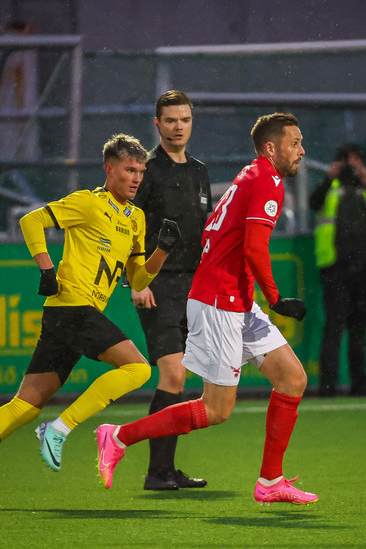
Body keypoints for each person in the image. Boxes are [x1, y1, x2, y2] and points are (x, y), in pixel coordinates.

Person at [0, 133, 181, 509]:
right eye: (129, 170)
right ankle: (59, 428)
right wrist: (46, 268)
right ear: (109, 169)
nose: (136, 178)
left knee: (26, 404)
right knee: (139, 369)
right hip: (72, 306)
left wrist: (162, 251)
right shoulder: (88, 202)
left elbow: (138, 279)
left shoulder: (136, 219)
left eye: (141, 171)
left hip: (75, 313)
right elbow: (32, 220)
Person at [94, 112, 318, 506]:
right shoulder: (266, 180)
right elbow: (254, 248)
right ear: (271, 148)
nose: (301, 150)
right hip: (219, 303)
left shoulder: (252, 174)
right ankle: (118, 436)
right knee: (215, 410)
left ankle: (270, 481)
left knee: (292, 380)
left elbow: (227, 236)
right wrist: (275, 297)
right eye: (294, 143)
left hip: (234, 300)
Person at [131, 90, 211, 491]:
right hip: (158, 285)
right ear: (157, 124)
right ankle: (156, 472)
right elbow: (127, 226)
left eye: (185, 120)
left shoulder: (199, 170)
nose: (178, 127)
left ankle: (165, 469)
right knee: (173, 373)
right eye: (170, 120)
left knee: (181, 380)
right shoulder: (145, 170)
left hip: (194, 286)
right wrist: (137, 280)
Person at [309, 142, 366, 397]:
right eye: (347, 161)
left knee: (359, 329)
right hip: (336, 269)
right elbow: (313, 203)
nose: (351, 166)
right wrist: (328, 178)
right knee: (334, 327)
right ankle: (328, 385)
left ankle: (360, 384)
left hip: (365, 268)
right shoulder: (329, 188)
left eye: (356, 160)